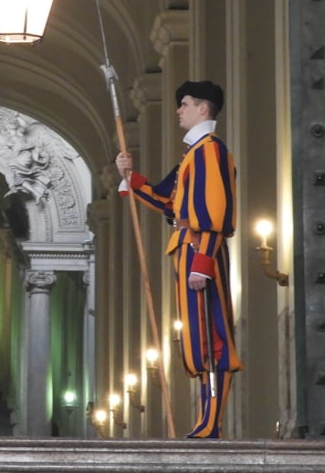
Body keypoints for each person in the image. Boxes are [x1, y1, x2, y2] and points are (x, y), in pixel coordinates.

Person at [115, 79, 242, 438]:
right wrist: (129, 175)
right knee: (196, 341)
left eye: (184, 103)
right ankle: (205, 421)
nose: (178, 110)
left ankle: (211, 424)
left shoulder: (211, 151)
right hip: (186, 249)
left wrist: (203, 262)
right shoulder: (193, 155)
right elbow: (167, 201)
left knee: (212, 337)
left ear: (204, 108)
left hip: (202, 251)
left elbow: (216, 212)